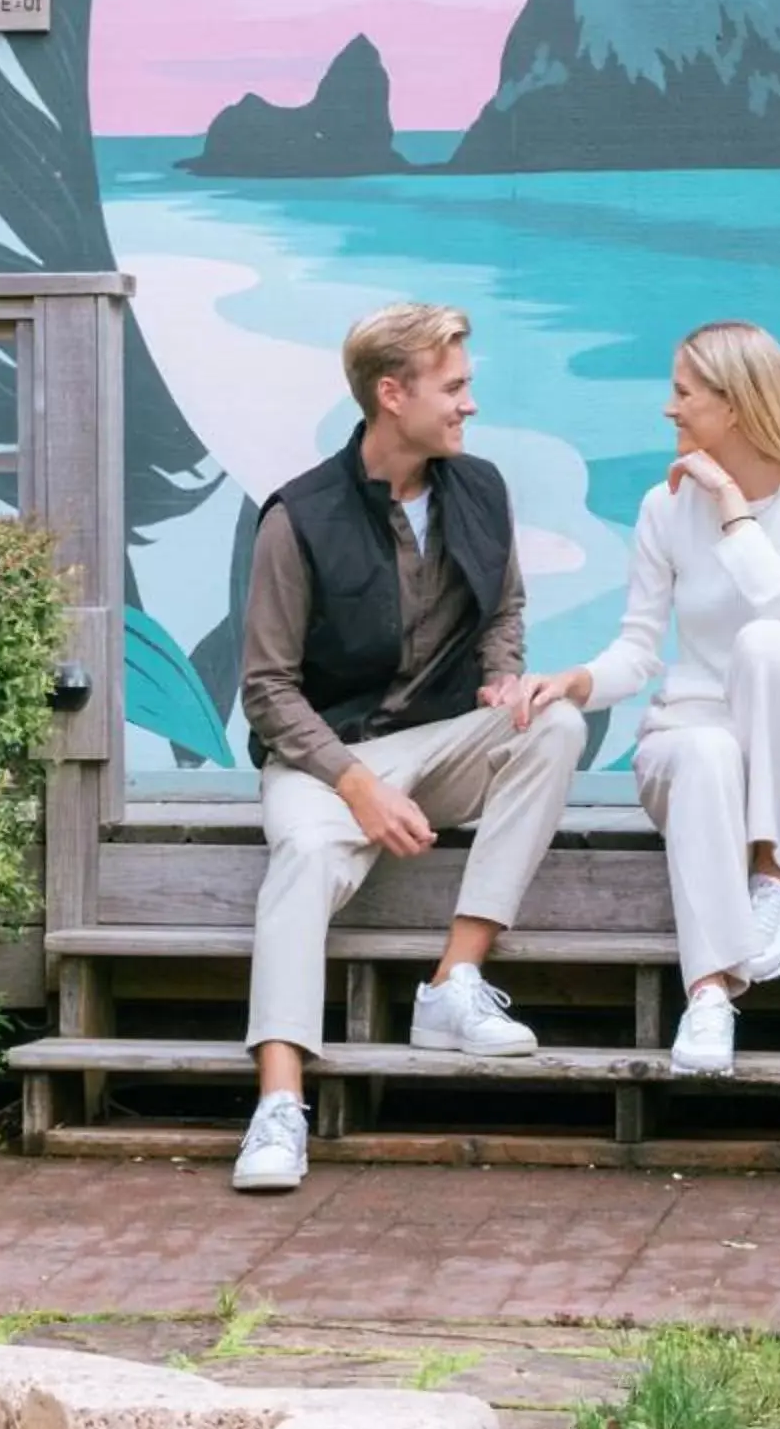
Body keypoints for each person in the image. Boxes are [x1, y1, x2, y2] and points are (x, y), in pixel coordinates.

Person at [231, 302, 587, 1192]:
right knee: (306, 858)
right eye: (455, 387)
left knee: (556, 722)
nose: (470, 404)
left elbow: (502, 610)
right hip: (326, 758)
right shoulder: (297, 518)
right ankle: (279, 1106)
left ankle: (453, 985)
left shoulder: (482, 487)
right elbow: (267, 691)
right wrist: (355, 786)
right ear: (393, 395)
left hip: (441, 747)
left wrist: (505, 677)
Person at [512, 321, 780, 1075]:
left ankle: (771, 873)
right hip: (694, 749)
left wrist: (730, 501)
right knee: (707, 746)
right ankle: (709, 997)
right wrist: (573, 683)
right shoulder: (662, 507)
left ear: (735, 404)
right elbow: (638, 649)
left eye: (683, 393)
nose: (668, 410)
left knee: (767, 643)